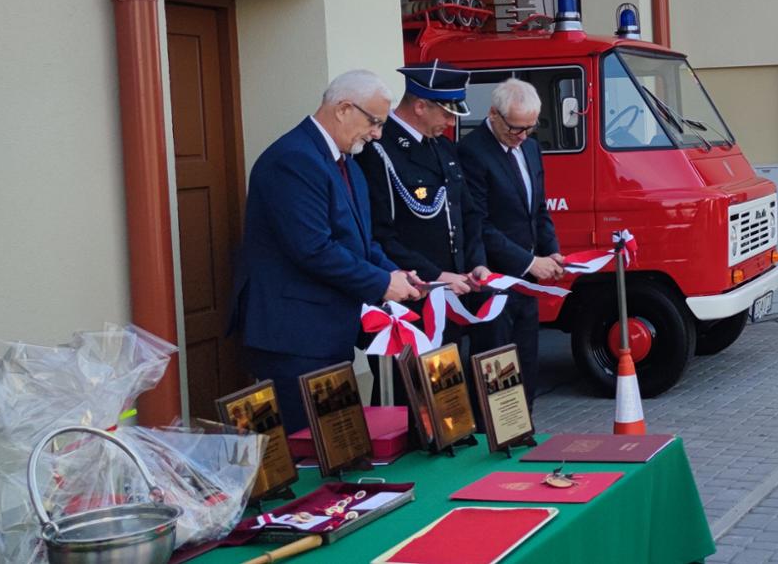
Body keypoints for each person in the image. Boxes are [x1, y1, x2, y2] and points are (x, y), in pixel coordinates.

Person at [231, 70, 420, 432]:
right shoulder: (293, 160)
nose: (378, 134)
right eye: (375, 122)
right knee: (307, 449)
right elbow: (313, 249)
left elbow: (361, 242)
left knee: (334, 444)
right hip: (293, 338)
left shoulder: (346, 162)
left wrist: (398, 274)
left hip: (325, 332)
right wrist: (381, 282)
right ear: (344, 108)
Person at [355, 61, 492, 405]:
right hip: (412, 299)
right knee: (410, 401)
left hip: (452, 296)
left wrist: (475, 264)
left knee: (447, 399)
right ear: (419, 105)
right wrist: (436, 275)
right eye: (446, 113)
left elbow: (468, 214)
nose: (451, 123)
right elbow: (379, 234)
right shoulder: (379, 151)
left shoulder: (442, 148)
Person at [460, 79, 564, 404]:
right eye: (516, 129)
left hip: (525, 283)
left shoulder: (530, 148)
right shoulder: (472, 152)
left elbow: (538, 209)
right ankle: (492, 440)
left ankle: (523, 431)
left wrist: (553, 251)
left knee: (527, 364)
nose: (522, 137)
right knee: (495, 369)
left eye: (530, 128)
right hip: (493, 279)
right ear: (493, 114)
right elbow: (479, 223)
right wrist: (530, 261)